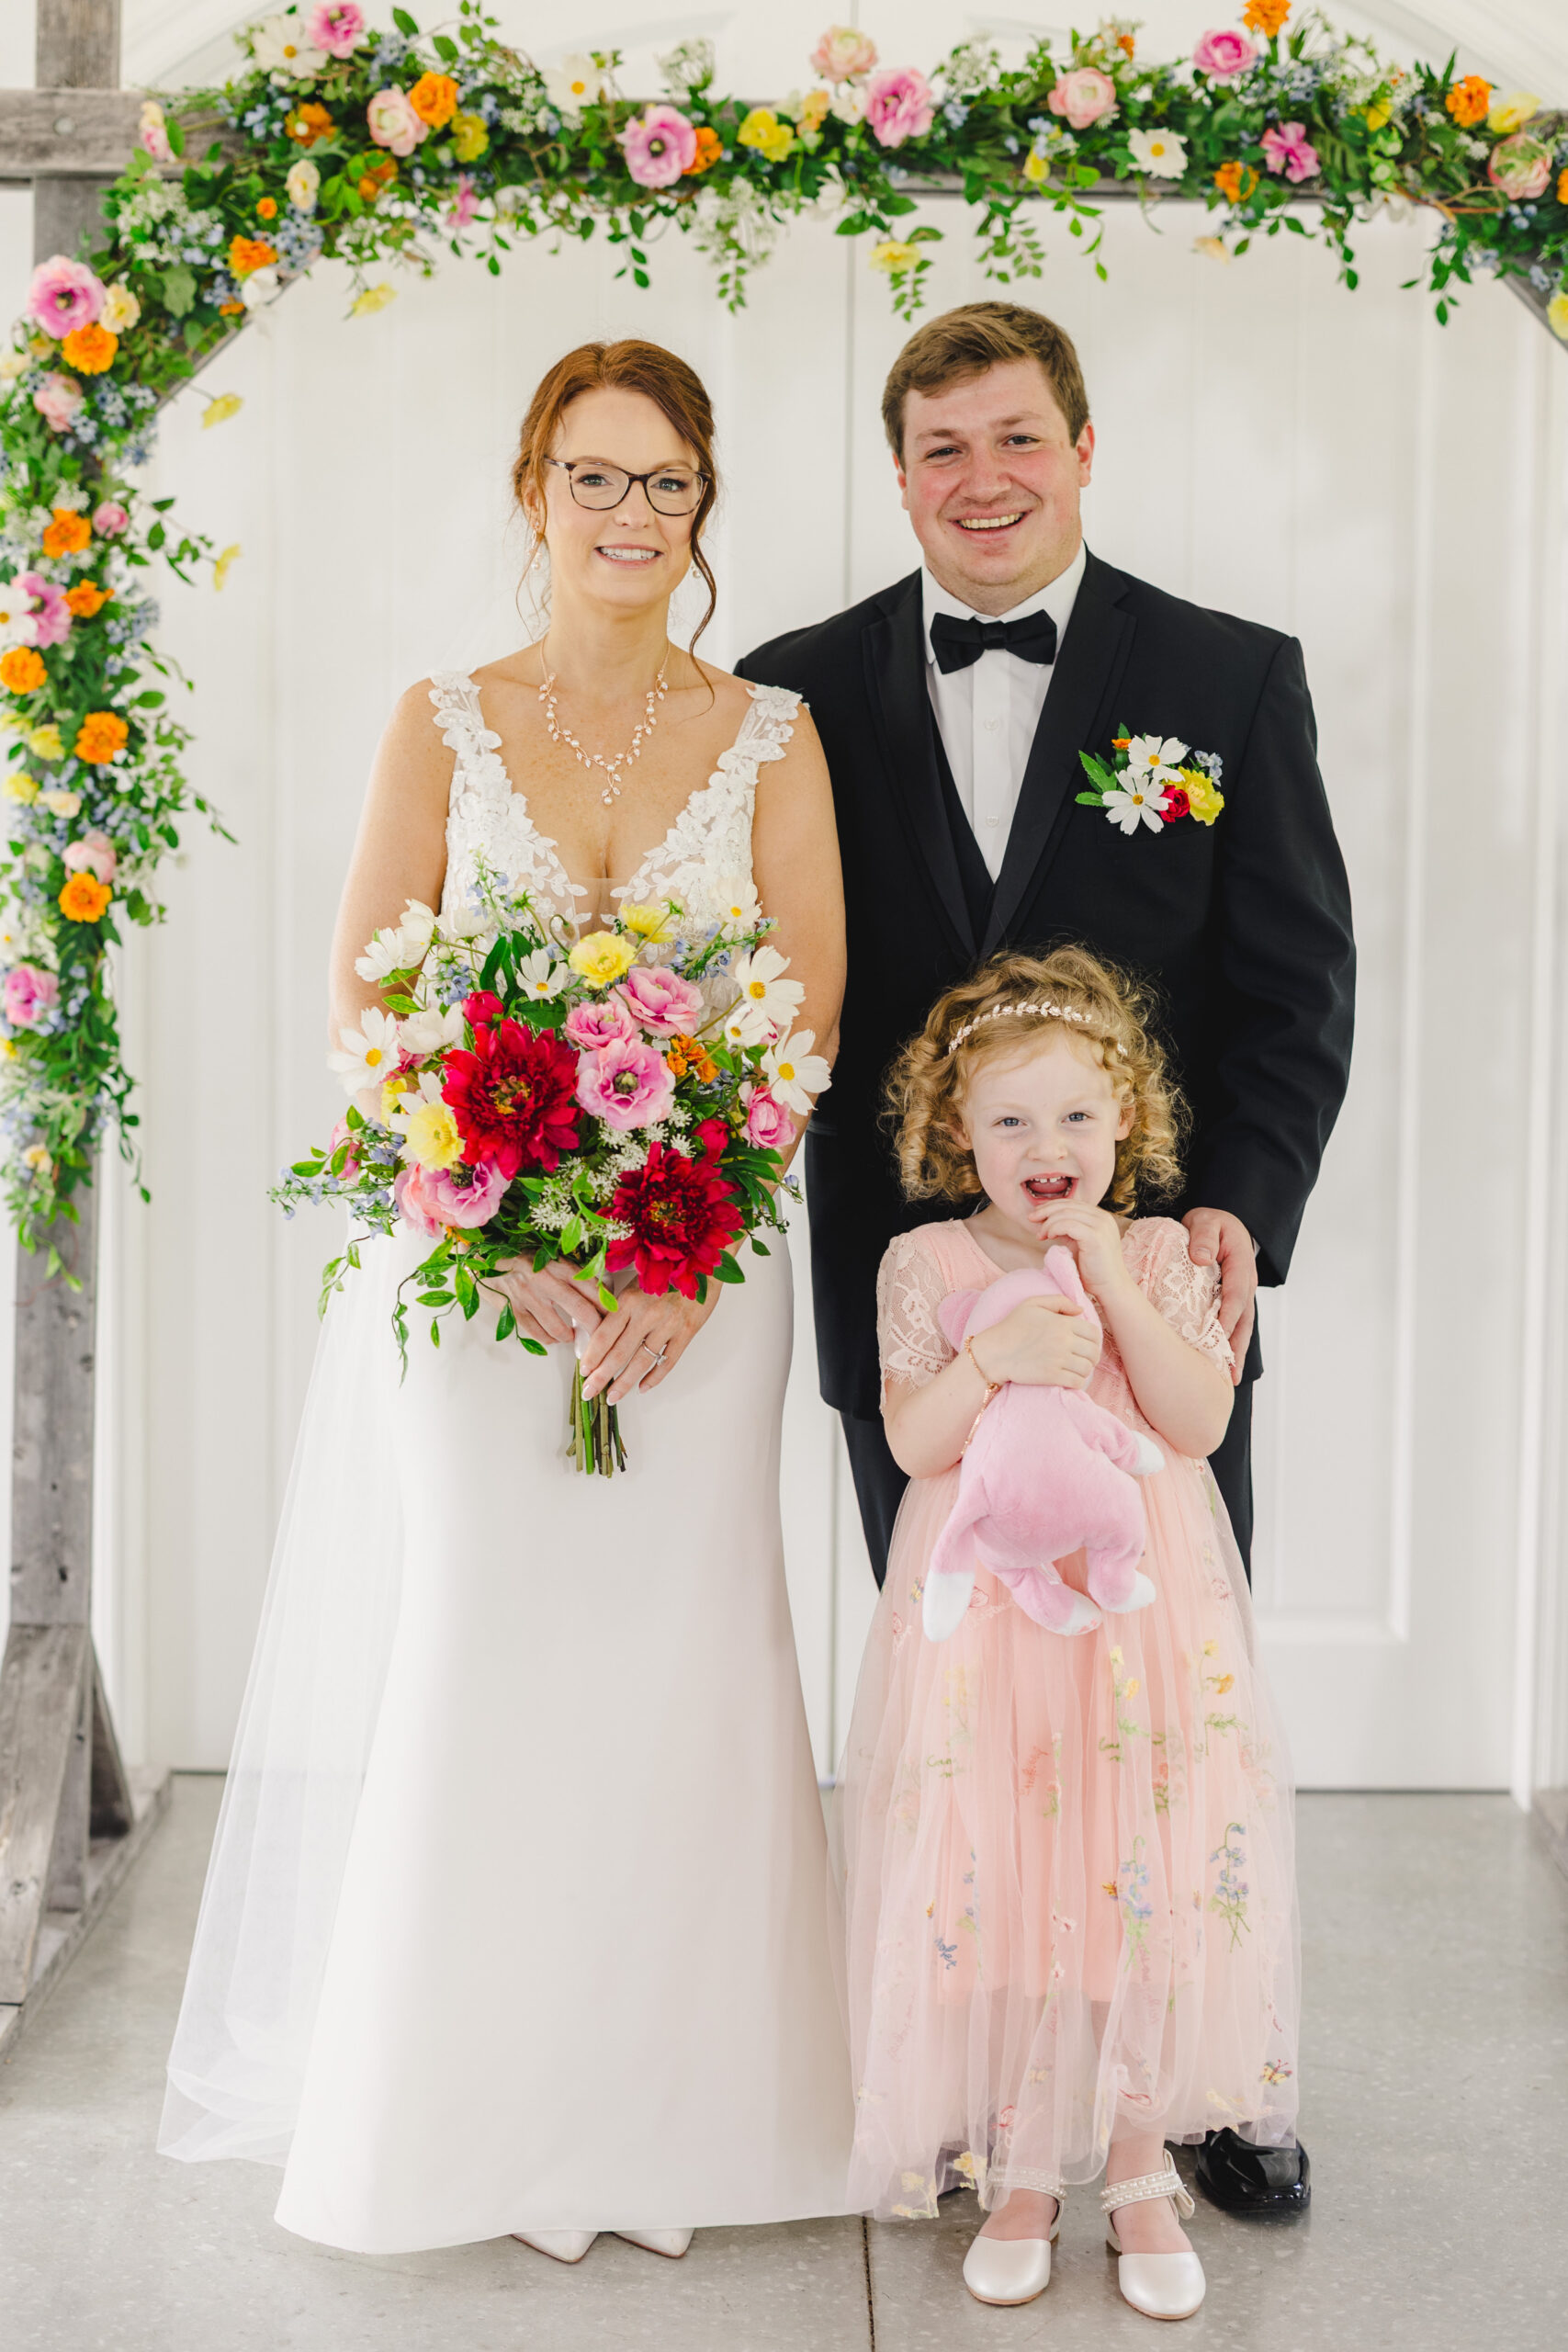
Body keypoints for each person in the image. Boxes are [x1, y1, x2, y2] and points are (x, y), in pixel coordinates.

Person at [159, 339, 853, 2259]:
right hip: (482, 1276)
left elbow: (797, 1008)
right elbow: (369, 1008)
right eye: (595, 477)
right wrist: (495, 1221)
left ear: (704, 509)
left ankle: (693, 2113)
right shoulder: (438, 719)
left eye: (666, 485)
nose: (630, 517)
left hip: (700, 1284)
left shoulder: (772, 733)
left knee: (688, 1660)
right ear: (532, 486)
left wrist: (689, 1253)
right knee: (486, 1638)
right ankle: (465, 2114)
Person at [738, 297, 1349, 2216]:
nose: (978, 481)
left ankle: (1202, 2077)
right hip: (907, 1298)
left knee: (1172, 1705)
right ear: (895, 468)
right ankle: (967, 2074)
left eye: (1013, 439)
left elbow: (1291, 982)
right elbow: (759, 986)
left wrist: (1234, 1205)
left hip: (1153, 1293)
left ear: (1080, 447)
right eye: (938, 447)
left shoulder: (1226, 676)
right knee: (962, 1711)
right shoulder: (792, 685)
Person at [839, 944, 1301, 2323]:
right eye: (1010, 1122)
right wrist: (984, 1360)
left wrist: (1108, 1285)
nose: (1049, 1147)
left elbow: (1199, 1423)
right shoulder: (921, 1260)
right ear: (954, 1137)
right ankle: (1027, 2162)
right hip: (992, 1634)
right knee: (1016, 1874)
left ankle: (1143, 2161)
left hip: (1139, 1625)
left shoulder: (1159, 1249)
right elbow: (916, 1441)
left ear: (1130, 1127)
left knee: (1139, 1874)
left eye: (1079, 1118)